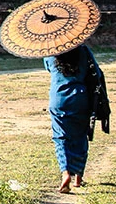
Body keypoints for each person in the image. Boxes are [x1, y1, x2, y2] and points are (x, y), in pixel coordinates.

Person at [44, 44, 108, 193]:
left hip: (58, 98)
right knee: (81, 135)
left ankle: (66, 173)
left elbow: (49, 69)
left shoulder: (49, 53)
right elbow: (95, 72)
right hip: (81, 98)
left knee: (61, 137)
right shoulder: (84, 51)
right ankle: (78, 176)